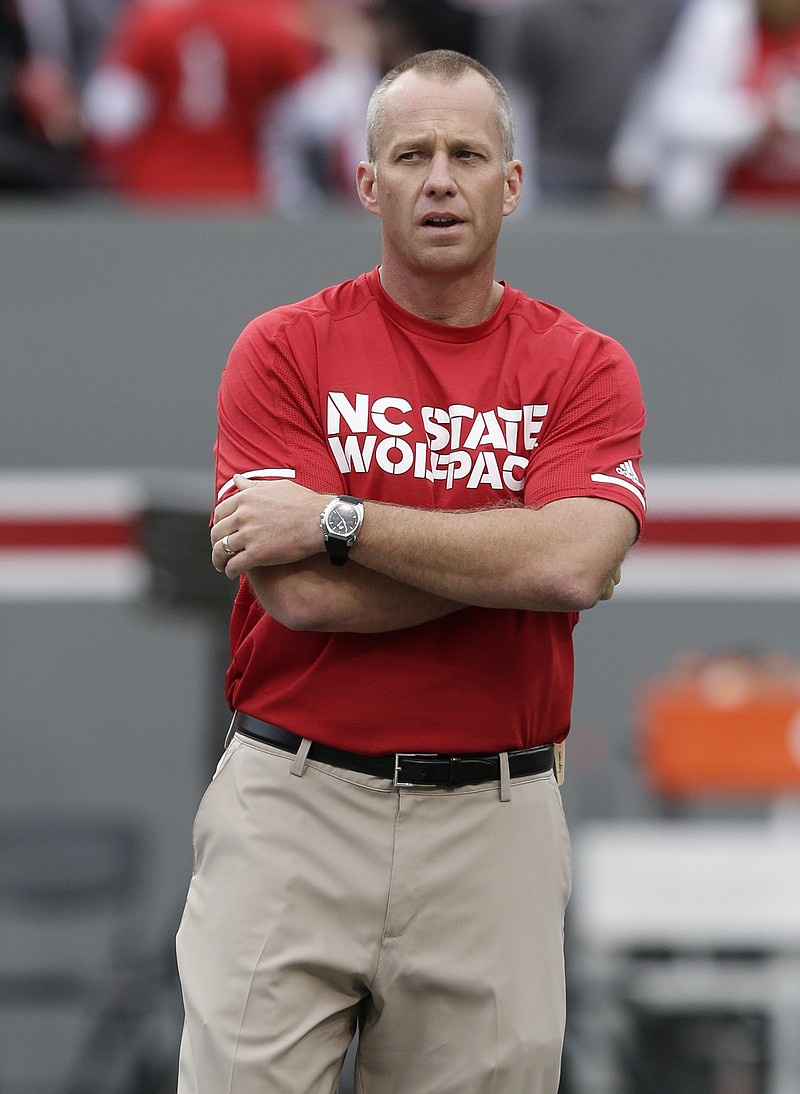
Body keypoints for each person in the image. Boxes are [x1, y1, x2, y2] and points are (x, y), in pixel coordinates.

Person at [176, 48, 646, 1094]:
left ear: (511, 184)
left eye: (467, 153)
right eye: (411, 154)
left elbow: (570, 564)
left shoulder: (582, 365)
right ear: (366, 180)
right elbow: (297, 593)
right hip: (292, 802)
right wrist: (509, 552)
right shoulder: (283, 350)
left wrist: (335, 515)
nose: (439, 177)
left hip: (494, 817)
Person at [81, 0, 322, 207]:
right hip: (240, 188)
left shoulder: (154, 19)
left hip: (158, 186)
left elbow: (109, 115)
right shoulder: (272, 22)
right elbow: (314, 116)